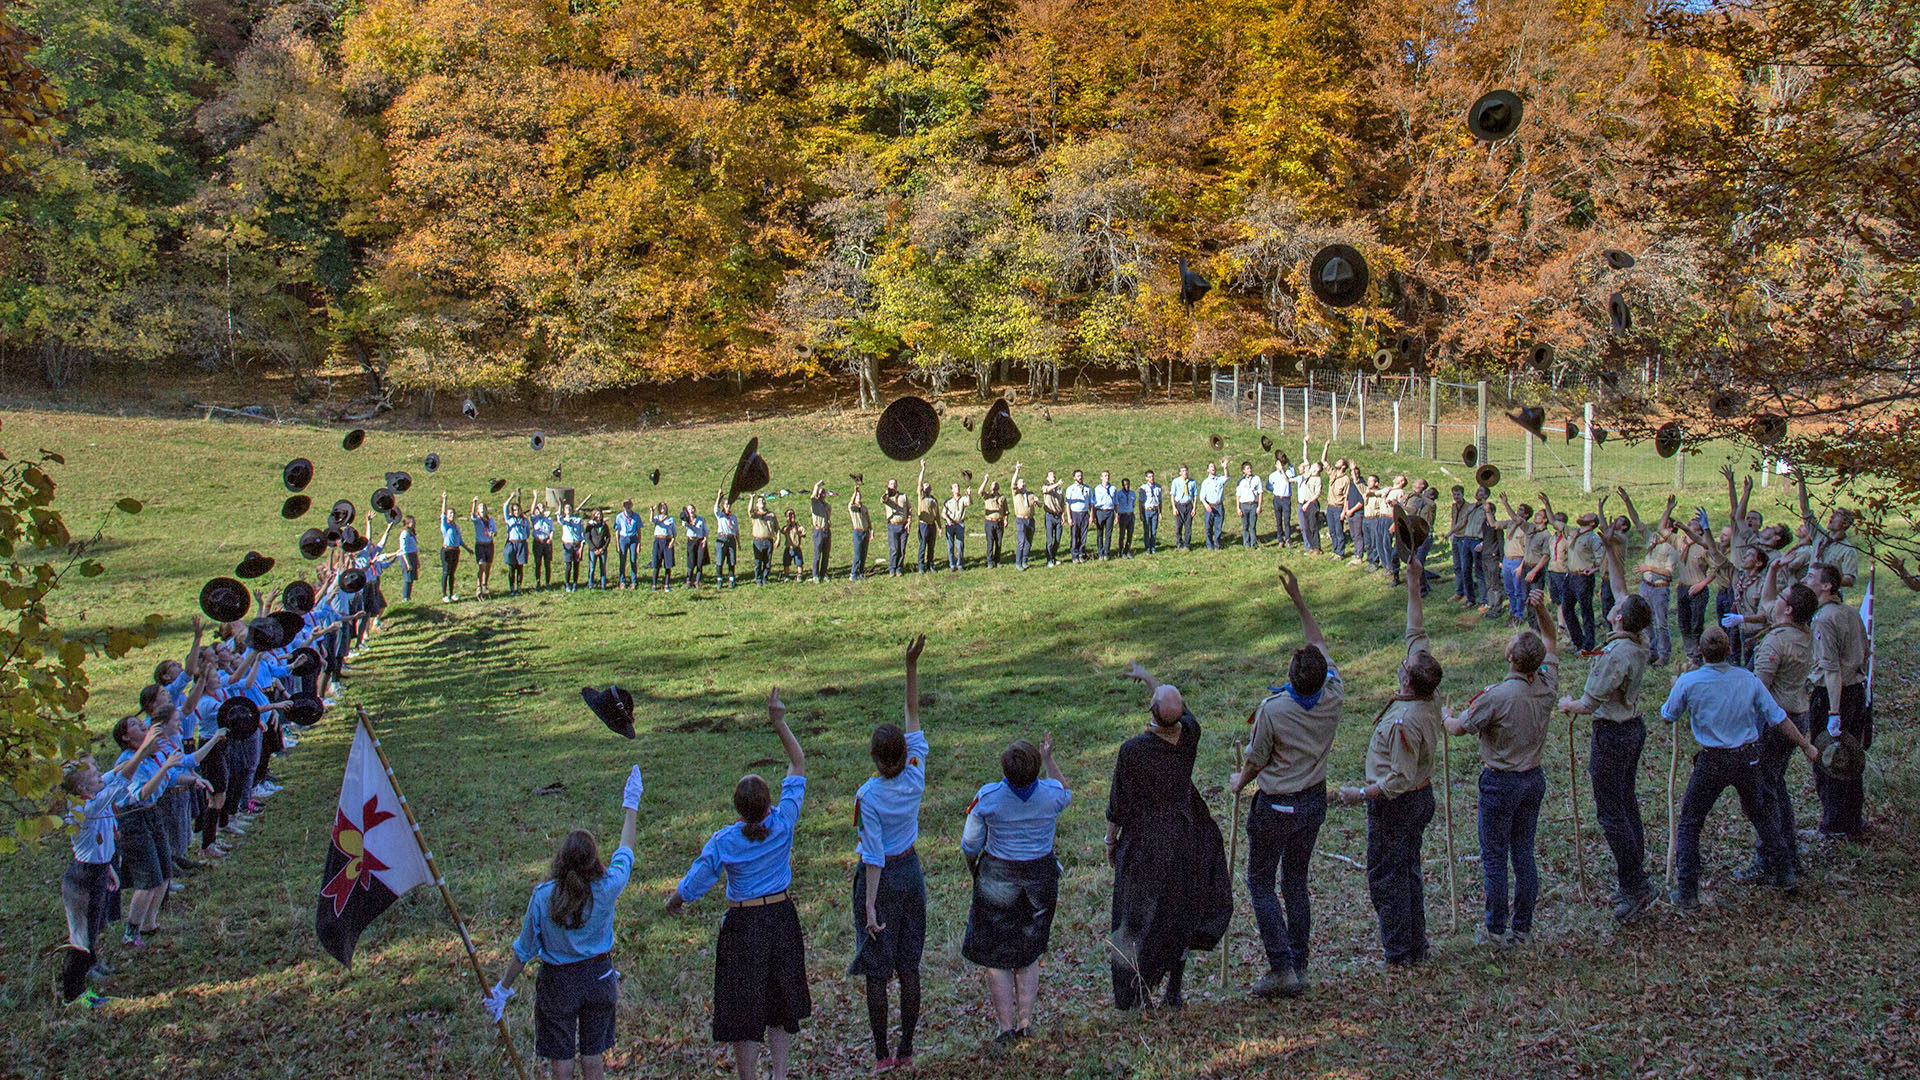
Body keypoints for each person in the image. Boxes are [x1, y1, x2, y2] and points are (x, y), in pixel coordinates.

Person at [667, 690, 810, 1080]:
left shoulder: (724, 841)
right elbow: (798, 762)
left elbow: (700, 876)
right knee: (780, 1005)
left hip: (743, 926)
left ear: (738, 808)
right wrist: (779, 721)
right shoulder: (784, 823)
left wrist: (676, 900)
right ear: (769, 803)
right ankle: (779, 1075)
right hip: (780, 917)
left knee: (745, 1006)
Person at [486, 766, 643, 1080]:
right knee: (593, 1054)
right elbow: (626, 851)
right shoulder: (609, 886)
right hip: (599, 976)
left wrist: (503, 989)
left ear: (561, 858)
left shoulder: (544, 897)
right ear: (594, 859)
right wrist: (631, 807)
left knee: (561, 1058)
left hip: (558, 983)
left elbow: (524, 949)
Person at [1230, 566, 1340, 998]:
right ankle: (1300, 961)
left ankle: (1282, 968)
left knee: (1260, 881)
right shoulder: (1334, 693)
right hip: (1313, 801)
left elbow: (1256, 760)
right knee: (1295, 881)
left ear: (1291, 677)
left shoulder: (1273, 710)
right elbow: (1319, 644)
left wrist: (1240, 781)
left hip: (1276, 805)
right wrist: (1299, 600)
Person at [1661, 627, 1819, 905]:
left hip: (1712, 761)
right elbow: (1778, 717)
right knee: (1762, 816)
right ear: (1729, 651)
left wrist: (1678, 686)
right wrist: (1805, 745)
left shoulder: (1689, 681)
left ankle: (1687, 892)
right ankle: (1785, 873)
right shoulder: (1748, 680)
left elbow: (1668, 715)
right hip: (1747, 759)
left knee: (1690, 822)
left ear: (1701, 652)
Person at [1337, 554, 1444, 965]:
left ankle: (1399, 952)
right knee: (1408, 871)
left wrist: (1359, 794)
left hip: (1398, 805)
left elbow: (1397, 779)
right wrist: (1413, 582)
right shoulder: (1427, 692)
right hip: (1420, 797)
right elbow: (1416, 631)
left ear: (1406, 680)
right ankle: (1416, 946)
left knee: (1387, 877)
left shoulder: (1405, 722)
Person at [1107, 663, 1232, 1008]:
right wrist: (1150, 678)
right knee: (1179, 912)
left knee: (1138, 917)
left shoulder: (1133, 750)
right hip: (1186, 836)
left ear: (1150, 711)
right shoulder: (1190, 734)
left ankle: (1137, 992)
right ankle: (1173, 991)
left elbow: (1118, 803)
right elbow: (1179, 708)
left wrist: (1110, 841)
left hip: (1148, 842)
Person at [1445, 589, 1558, 945]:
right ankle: (1521, 927)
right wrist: (1541, 612)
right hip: (1533, 778)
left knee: (1494, 856)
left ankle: (1495, 929)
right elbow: (1552, 639)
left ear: (1510, 657)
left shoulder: (1497, 698)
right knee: (1523, 852)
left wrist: (1445, 716)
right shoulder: (1547, 686)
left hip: (1500, 782)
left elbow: (1460, 727)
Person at [1558, 547, 1656, 923]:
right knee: (1627, 804)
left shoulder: (1616, 655)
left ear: (1617, 618)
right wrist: (1613, 549)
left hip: (1613, 735)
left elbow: (1587, 702)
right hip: (1631, 729)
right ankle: (1636, 876)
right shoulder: (1637, 640)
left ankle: (1633, 885)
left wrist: (1568, 703)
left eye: (1617, 607)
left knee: (1612, 813)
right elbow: (1619, 590)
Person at [850, 636, 930, 1072]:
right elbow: (913, 713)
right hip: (912, 872)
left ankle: (881, 1055)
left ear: (876, 760)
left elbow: (874, 856)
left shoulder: (869, 796)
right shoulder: (916, 774)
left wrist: (868, 902)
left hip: (882, 878)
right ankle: (907, 1047)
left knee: (877, 970)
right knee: (910, 965)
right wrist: (910, 667)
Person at [961, 733, 1070, 1046]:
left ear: (1005, 770)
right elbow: (1065, 790)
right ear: (1035, 769)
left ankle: (1005, 1029)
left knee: (997, 958)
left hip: (998, 878)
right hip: (1040, 878)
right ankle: (1026, 1022)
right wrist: (1049, 758)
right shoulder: (1050, 794)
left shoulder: (988, 797)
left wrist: (976, 870)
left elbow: (970, 844)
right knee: (1029, 952)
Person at [57, 726, 174, 1007]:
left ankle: (86, 973)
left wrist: (108, 866)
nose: (101, 776)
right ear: (83, 789)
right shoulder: (88, 807)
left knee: (93, 929)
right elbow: (120, 778)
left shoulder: (90, 796)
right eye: (95, 776)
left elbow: (112, 776)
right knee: (81, 939)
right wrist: (144, 751)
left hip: (96, 871)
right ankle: (73, 995)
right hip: (82, 879)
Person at [1735, 567, 1818, 879]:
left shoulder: (1776, 642)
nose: (1777, 600)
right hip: (1797, 715)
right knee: (1777, 786)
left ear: (1789, 609)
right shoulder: (1804, 634)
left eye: (1782, 598)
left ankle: (1770, 859)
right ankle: (1788, 853)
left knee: (1764, 792)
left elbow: (1759, 690)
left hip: (1774, 723)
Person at [1805, 562, 1869, 839]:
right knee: (1852, 758)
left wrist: (1833, 711)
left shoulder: (1823, 618)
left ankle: (1833, 824)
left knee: (1829, 758)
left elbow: (1831, 670)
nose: (1806, 580)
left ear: (1827, 585)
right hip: (1856, 691)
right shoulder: (1852, 612)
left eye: (1811, 577)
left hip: (1834, 694)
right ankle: (1853, 821)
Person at [1619, 488, 1679, 665]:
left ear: (1670, 529)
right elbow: (1636, 521)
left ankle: (1664, 655)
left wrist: (1649, 567)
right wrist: (1627, 501)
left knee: (1661, 623)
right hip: (1646, 585)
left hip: (1659, 588)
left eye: (1665, 525)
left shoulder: (1671, 548)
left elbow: (1669, 573)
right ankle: (1650, 651)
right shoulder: (1651, 538)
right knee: (1645, 621)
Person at [1797, 472, 1859, 587]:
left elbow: (1849, 579)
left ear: (1845, 523)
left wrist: (1825, 580)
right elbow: (1805, 510)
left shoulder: (1848, 550)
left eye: (1837, 515)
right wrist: (1801, 481)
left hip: (1827, 594)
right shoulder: (1819, 536)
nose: (1831, 517)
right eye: (1832, 514)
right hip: (1808, 590)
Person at [439, 494, 468, 602]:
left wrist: (467, 548)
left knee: (452, 573)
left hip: (456, 550)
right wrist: (444, 499)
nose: (452, 515)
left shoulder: (456, 526)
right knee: (446, 572)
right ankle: (444, 594)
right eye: (450, 513)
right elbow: (442, 514)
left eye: (453, 513)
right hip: (447, 550)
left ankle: (451, 593)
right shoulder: (445, 525)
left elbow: (459, 540)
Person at [979, 471, 1007, 569]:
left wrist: (1006, 520)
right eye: (993, 485)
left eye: (996, 484)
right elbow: (980, 491)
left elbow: (1006, 510)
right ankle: (989, 561)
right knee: (990, 542)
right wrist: (986, 480)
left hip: (999, 522)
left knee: (999, 542)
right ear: (990, 487)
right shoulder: (987, 496)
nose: (995, 486)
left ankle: (997, 560)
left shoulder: (1002, 497)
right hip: (989, 522)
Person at [1011, 467, 1037, 570]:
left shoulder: (1030, 493)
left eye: (1024, 482)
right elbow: (1013, 482)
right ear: (1018, 485)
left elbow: (1037, 501)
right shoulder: (1016, 493)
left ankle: (1025, 560)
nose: (1024, 483)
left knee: (1029, 541)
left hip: (1030, 520)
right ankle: (1018, 563)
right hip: (1020, 520)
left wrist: (1037, 502)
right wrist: (1017, 470)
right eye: (1021, 482)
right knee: (1021, 541)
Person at [943, 480, 973, 572]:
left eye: (958, 486)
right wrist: (947, 519)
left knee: (960, 545)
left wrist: (969, 495)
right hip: (950, 524)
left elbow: (970, 502)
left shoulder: (963, 499)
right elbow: (943, 513)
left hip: (960, 524)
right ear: (952, 490)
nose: (957, 488)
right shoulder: (948, 501)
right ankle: (952, 564)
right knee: (950, 546)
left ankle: (959, 564)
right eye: (955, 487)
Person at [883, 479, 910, 577]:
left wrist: (909, 521)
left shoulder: (903, 496)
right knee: (894, 549)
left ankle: (899, 568)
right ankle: (892, 568)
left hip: (903, 525)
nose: (893, 485)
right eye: (891, 484)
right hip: (892, 525)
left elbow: (909, 509)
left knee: (902, 549)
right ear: (888, 485)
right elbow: (883, 500)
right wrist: (887, 493)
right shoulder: (887, 497)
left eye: (894, 484)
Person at [471, 498, 497, 600]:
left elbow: (495, 531)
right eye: (480, 508)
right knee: (482, 566)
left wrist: (493, 533)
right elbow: (472, 515)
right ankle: (478, 586)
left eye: (484, 507)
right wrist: (474, 503)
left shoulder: (490, 520)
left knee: (488, 567)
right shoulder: (477, 520)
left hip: (489, 544)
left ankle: (485, 585)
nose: (482, 509)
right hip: (480, 545)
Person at [1199, 459, 1228, 550]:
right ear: (1208, 470)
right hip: (1209, 506)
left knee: (1218, 527)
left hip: (1219, 505)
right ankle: (1209, 544)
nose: (1213, 468)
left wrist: (1225, 468)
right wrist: (1206, 505)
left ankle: (1217, 544)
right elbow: (1202, 497)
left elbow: (1227, 477)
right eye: (1211, 467)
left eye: (1214, 467)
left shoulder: (1219, 479)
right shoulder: (1205, 482)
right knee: (1208, 527)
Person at [1064, 469, 1092, 564]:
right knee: (1075, 535)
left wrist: (1091, 516)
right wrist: (1069, 518)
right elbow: (1067, 504)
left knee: (1083, 535)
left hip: (1084, 513)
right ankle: (1074, 555)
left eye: (1081, 475)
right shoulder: (1070, 488)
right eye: (1078, 476)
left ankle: (1082, 553)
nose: (1080, 477)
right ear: (1074, 478)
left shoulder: (1088, 488)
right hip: (1075, 513)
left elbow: (1091, 503)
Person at [503, 500, 530, 596]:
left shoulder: (524, 520)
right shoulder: (509, 519)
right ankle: (511, 587)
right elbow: (505, 506)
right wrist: (511, 498)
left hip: (521, 544)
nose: (517, 512)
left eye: (518, 510)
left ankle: (519, 587)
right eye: (514, 510)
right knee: (511, 567)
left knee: (520, 567)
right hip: (512, 544)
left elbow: (527, 532)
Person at [1267, 454, 1295, 548]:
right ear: (1275, 465)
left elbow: (1293, 474)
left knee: (1286, 520)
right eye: (1278, 464)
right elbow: (1268, 485)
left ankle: (1288, 539)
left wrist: (1288, 462)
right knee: (1278, 520)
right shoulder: (1272, 475)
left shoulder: (1288, 472)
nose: (1280, 466)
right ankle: (1280, 540)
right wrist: (1274, 490)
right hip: (1277, 499)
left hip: (1286, 499)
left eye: (1282, 464)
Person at [615, 499, 643, 589]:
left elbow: (639, 531)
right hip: (623, 539)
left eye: (629, 504)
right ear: (623, 506)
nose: (628, 506)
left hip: (633, 539)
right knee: (622, 560)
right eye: (626, 505)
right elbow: (617, 532)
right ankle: (622, 581)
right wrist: (617, 544)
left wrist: (639, 543)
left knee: (633, 559)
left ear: (632, 505)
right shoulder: (619, 517)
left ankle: (634, 581)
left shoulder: (636, 516)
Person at [714, 491, 740, 588]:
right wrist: (719, 497)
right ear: (723, 506)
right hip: (722, 538)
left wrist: (738, 542)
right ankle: (719, 579)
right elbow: (715, 508)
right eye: (726, 504)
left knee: (732, 560)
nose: (728, 506)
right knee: (720, 560)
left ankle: (731, 578)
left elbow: (736, 530)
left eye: (729, 504)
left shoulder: (733, 517)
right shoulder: (720, 515)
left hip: (731, 538)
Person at [916, 464, 939, 574]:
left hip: (932, 525)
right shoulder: (922, 496)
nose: (926, 487)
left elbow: (937, 514)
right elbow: (920, 482)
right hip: (923, 524)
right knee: (922, 545)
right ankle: (921, 566)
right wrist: (923, 469)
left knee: (931, 546)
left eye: (928, 486)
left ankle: (930, 564)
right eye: (925, 486)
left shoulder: (934, 499)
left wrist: (939, 526)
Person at [1235, 461, 1263, 549]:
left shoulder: (1257, 479)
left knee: (1253, 525)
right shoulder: (1240, 481)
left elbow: (1260, 493)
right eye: (1247, 468)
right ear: (1243, 471)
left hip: (1253, 504)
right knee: (1245, 526)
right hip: (1244, 505)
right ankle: (1246, 544)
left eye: (1250, 468)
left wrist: (1259, 506)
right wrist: (1238, 508)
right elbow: (1238, 495)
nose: (1250, 470)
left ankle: (1253, 543)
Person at [809, 481, 833, 583]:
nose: (823, 493)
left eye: (824, 492)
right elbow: (813, 496)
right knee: (817, 553)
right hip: (818, 531)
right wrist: (817, 485)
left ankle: (824, 573)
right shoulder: (815, 503)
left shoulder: (827, 505)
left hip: (827, 530)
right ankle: (815, 575)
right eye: (821, 492)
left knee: (826, 554)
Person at [650, 502, 677, 591]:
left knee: (668, 564)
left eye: (664, 506)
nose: (662, 508)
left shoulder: (671, 519)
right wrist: (652, 511)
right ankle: (654, 584)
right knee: (656, 563)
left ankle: (666, 584)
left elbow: (674, 532)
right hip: (658, 541)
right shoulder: (657, 517)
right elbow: (651, 521)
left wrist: (672, 541)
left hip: (667, 540)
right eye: (660, 506)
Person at [750, 496, 777, 586]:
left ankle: (765, 578)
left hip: (769, 541)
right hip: (758, 541)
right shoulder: (755, 515)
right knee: (758, 562)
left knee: (767, 562)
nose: (761, 502)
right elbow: (749, 511)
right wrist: (752, 499)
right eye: (759, 501)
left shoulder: (771, 515)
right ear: (757, 504)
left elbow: (777, 528)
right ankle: (758, 579)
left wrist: (778, 538)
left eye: (763, 500)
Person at [1041, 470, 1066, 566]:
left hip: (1058, 516)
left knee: (1058, 539)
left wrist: (1063, 516)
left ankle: (1054, 557)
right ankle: (1049, 559)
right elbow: (1046, 490)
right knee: (1050, 539)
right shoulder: (1045, 486)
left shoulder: (1060, 490)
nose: (1053, 476)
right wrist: (1057, 484)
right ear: (1047, 478)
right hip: (1049, 516)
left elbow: (1062, 503)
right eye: (1051, 475)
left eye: (1054, 475)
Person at [1092, 470, 1118, 560]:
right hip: (1100, 512)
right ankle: (1100, 553)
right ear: (1101, 477)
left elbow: (1116, 502)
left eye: (1108, 476)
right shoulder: (1097, 489)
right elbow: (1094, 503)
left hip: (1110, 512)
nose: (1107, 477)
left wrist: (1117, 515)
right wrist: (1094, 516)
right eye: (1105, 476)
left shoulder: (1113, 488)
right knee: (1099, 533)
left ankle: (1106, 552)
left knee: (1108, 533)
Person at [847, 485, 871, 582]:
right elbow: (850, 504)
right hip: (857, 532)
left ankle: (861, 572)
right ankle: (853, 573)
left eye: (859, 496)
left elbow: (868, 519)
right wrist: (854, 492)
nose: (859, 498)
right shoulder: (853, 508)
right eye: (857, 496)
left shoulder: (864, 508)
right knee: (857, 553)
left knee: (864, 554)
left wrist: (871, 529)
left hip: (865, 531)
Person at [1170, 465, 1196, 551]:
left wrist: (1194, 508)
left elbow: (1195, 495)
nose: (1185, 472)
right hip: (1179, 505)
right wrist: (1174, 508)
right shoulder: (1176, 481)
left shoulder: (1192, 482)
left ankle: (1187, 544)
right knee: (1178, 526)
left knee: (1188, 526)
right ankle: (1179, 543)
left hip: (1188, 505)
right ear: (1180, 473)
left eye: (1186, 470)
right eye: (1183, 471)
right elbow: (1172, 495)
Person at [681, 505, 707, 589]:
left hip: (700, 541)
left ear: (695, 510)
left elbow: (705, 530)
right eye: (689, 509)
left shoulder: (701, 519)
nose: (691, 510)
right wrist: (686, 519)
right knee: (691, 561)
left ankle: (697, 581)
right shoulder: (686, 520)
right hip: (691, 541)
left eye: (692, 509)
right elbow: (684, 524)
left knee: (699, 562)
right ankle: (688, 581)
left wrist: (705, 539)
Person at [586, 509, 612, 589]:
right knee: (592, 567)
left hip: (602, 550)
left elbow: (608, 537)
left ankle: (603, 585)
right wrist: (594, 549)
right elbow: (587, 538)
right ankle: (590, 584)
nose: (598, 516)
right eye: (597, 514)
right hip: (593, 550)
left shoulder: (604, 525)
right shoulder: (590, 526)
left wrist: (603, 548)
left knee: (603, 567)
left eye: (600, 514)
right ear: (594, 515)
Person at [531, 501, 555, 588]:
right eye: (539, 508)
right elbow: (531, 510)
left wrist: (550, 538)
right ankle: (538, 582)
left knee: (547, 563)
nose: (541, 510)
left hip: (546, 542)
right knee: (538, 563)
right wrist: (535, 498)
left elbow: (551, 529)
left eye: (542, 508)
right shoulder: (535, 518)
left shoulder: (548, 519)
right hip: (538, 542)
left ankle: (548, 582)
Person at [1138, 469, 1162, 555]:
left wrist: (1160, 512)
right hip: (1146, 510)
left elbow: (1160, 500)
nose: (1151, 478)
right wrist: (1141, 513)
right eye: (1149, 477)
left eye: (1152, 476)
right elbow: (1140, 502)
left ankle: (1153, 547)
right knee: (1146, 530)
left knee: (1154, 530)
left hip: (1155, 510)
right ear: (1146, 478)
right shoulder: (1143, 488)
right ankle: (1147, 547)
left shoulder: (1158, 487)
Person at [398, 515, 421, 602]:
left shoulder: (411, 533)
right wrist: (407, 563)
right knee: (407, 578)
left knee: (411, 578)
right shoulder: (405, 533)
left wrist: (417, 560)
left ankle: (409, 596)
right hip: (407, 556)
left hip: (413, 556)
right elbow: (403, 549)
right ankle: (405, 597)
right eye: (412, 522)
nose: (414, 524)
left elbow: (414, 548)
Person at [781, 509, 807, 582]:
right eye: (789, 515)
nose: (792, 516)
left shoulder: (798, 526)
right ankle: (787, 576)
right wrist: (788, 523)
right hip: (788, 548)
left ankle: (799, 575)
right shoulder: (786, 527)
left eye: (793, 514)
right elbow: (783, 531)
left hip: (796, 547)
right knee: (786, 563)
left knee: (799, 563)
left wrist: (799, 532)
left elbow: (803, 533)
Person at [1114, 477, 1136, 558]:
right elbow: (1116, 505)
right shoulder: (1119, 494)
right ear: (1122, 485)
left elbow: (1133, 504)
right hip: (1122, 515)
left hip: (1130, 515)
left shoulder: (1132, 493)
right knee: (1122, 534)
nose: (1127, 486)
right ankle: (1121, 550)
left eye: (1128, 484)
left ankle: (1127, 550)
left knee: (1130, 534)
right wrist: (1117, 516)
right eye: (1125, 484)